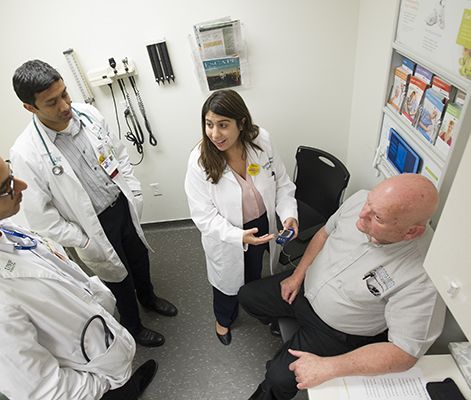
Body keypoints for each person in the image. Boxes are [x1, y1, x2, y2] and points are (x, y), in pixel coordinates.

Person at [0, 140, 158, 400]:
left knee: (125, 380)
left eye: (10, 174)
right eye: (5, 188)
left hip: (100, 348)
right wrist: (107, 384)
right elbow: (46, 391)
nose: (21, 186)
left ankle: (128, 384)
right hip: (96, 388)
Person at [9, 60, 177, 348]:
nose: (65, 106)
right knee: (116, 277)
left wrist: (134, 193)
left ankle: (148, 298)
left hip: (121, 205)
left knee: (138, 257)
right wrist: (83, 240)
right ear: (30, 107)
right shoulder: (26, 153)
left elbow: (119, 155)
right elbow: (42, 217)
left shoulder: (87, 115)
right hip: (90, 226)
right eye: (52, 102)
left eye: (65, 93)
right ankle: (134, 327)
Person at [238, 173, 446, 400]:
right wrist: (298, 275)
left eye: (377, 217)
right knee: (247, 296)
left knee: (279, 379)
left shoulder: (423, 275)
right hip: (303, 287)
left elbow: (405, 353)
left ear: (411, 231)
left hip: (334, 331)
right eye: (369, 203)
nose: (362, 214)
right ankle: (283, 326)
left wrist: (329, 367)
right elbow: (323, 234)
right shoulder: (361, 201)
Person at [184, 89, 298, 346]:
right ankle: (223, 319)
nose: (214, 134)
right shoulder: (199, 161)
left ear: (242, 122)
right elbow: (203, 216)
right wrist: (237, 236)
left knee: (254, 273)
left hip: (260, 223)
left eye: (223, 125)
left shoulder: (262, 141)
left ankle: (255, 305)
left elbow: (281, 181)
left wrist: (289, 215)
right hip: (227, 231)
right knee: (226, 282)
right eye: (209, 124)